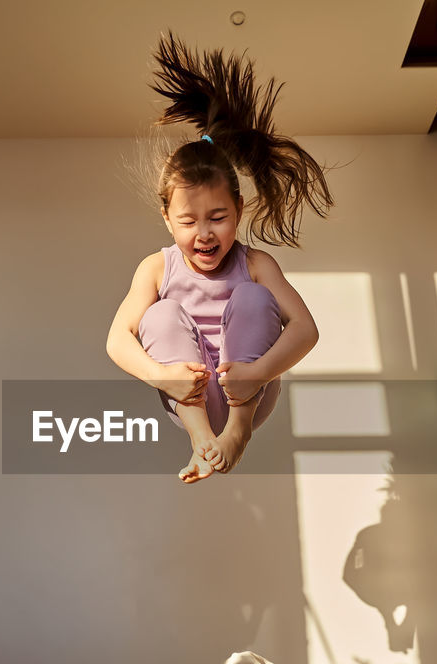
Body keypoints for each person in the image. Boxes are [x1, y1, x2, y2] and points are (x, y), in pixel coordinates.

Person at [106, 34, 332, 483]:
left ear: (239, 211)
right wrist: (161, 377)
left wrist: (257, 374)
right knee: (162, 312)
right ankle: (201, 438)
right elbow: (117, 340)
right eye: (188, 221)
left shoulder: (255, 262)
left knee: (252, 297)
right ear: (168, 220)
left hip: (248, 388)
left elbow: (306, 330)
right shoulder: (157, 266)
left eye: (218, 217)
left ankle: (237, 432)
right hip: (186, 393)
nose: (205, 234)